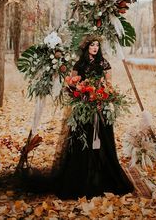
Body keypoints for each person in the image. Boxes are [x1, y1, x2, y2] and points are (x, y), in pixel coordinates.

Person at [51, 34, 135, 199]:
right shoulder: (79, 64)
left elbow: (108, 85)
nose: (95, 48)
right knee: (83, 142)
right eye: (92, 45)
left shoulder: (104, 63)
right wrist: (80, 92)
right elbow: (72, 84)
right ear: (86, 47)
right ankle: (81, 178)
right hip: (83, 108)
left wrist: (101, 95)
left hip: (99, 106)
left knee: (102, 142)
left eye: (97, 45)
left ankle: (102, 177)